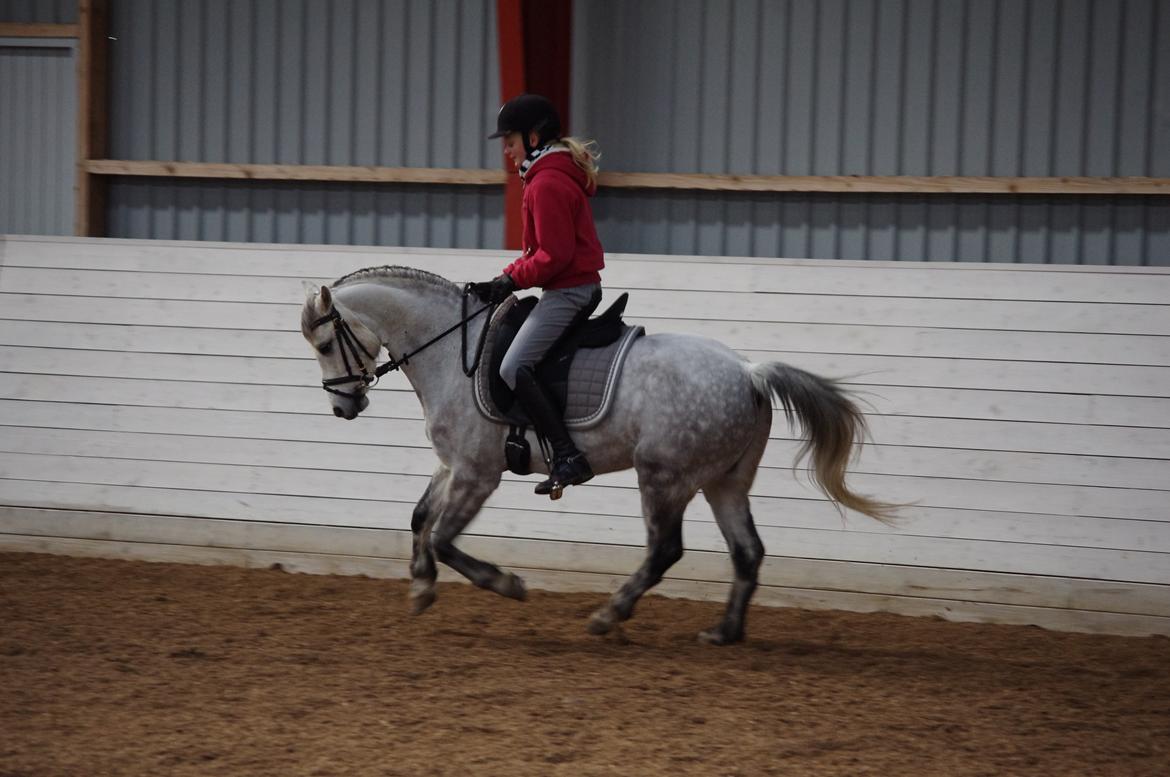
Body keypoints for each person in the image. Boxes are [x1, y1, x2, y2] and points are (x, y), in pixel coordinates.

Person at [471, 93, 605, 497]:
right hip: (567, 286)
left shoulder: (546, 181)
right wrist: (506, 276)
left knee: (513, 367)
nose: (507, 151)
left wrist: (510, 281)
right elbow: (539, 254)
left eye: (509, 141)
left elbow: (554, 256)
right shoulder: (544, 175)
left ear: (533, 137)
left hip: (570, 291)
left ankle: (567, 455)